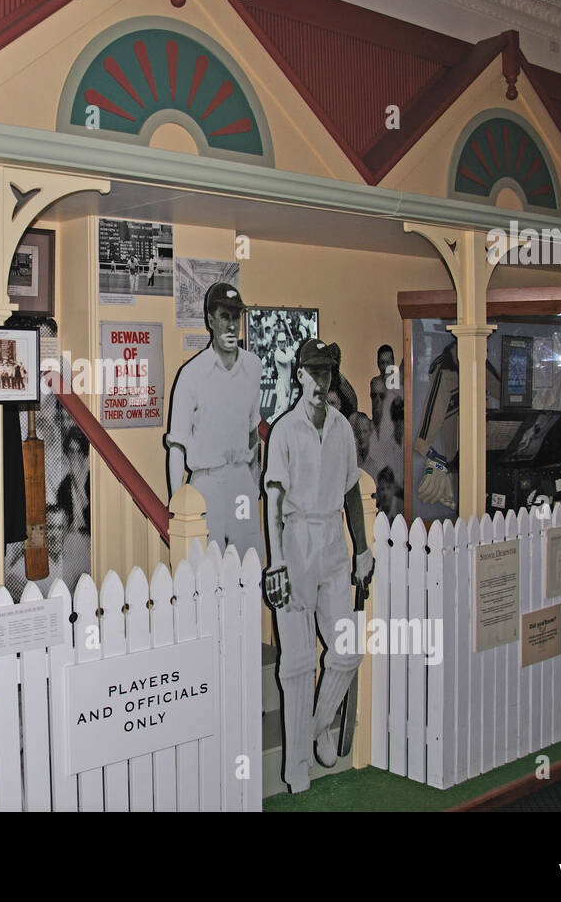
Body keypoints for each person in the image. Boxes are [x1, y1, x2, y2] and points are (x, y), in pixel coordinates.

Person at [262, 337, 374, 792]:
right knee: (297, 663)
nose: (319, 379)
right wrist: (277, 563)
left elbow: (351, 492)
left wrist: (362, 548)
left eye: (326, 372)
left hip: (331, 539)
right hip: (295, 539)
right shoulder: (286, 431)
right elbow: (272, 500)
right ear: (299, 375)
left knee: (347, 650)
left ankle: (315, 728)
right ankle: (296, 771)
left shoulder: (343, 430)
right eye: (312, 371)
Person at [164, 282, 263, 559]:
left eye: (236, 317)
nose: (232, 325)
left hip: (241, 481)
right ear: (210, 320)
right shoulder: (192, 373)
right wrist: (178, 506)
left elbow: (253, 431)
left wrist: (252, 482)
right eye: (224, 317)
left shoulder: (253, 367)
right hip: (207, 483)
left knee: (248, 560)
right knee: (209, 567)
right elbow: (177, 446)